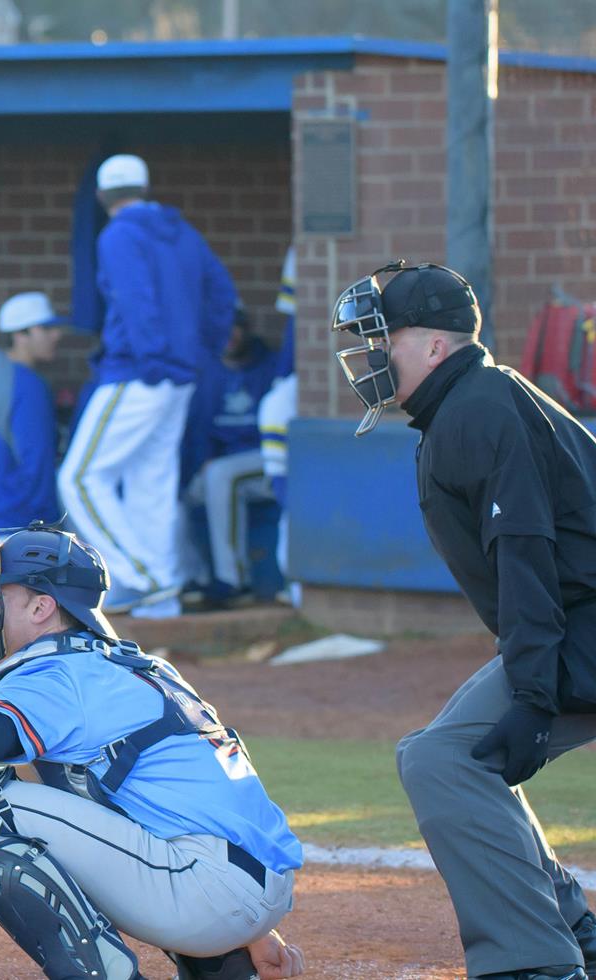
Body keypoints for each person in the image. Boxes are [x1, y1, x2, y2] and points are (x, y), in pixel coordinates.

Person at [0, 523, 304, 979]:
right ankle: (227, 968)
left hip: (207, 890)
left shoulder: (59, 672)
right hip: (243, 883)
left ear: (43, 607)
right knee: (46, 790)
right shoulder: (130, 665)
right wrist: (251, 928)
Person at [336, 261, 596, 980]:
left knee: (443, 759)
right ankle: (569, 929)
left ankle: (536, 961)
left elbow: (526, 554)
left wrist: (536, 699)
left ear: (433, 346)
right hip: (578, 620)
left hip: (582, 621)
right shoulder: (473, 400)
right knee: (447, 754)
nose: (373, 356)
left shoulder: (477, 408)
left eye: (384, 339)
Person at [57, 153, 236, 619]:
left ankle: (139, 577)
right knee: (148, 483)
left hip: (139, 372)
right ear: (144, 187)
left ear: (101, 197)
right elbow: (222, 294)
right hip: (179, 376)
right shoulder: (182, 232)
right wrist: (201, 355)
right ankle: (162, 601)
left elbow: (136, 301)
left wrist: (155, 358)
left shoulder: (117, 234)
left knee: (79, 477)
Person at [181, 309, 279, 599]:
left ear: (247, 328)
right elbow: (200, 430)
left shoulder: (269, 367)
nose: (230, 336)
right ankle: (193, 576)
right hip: (226, 467)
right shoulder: (208, 372)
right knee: (176, 499)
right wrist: (202, 460)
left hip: (265, 459)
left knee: (221, 475)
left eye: (235, 326)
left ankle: (233, 580)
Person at [0, 291, 64, 536]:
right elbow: (36, 462)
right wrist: (48, 522)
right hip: (18, 526)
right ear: (20, 335)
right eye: (45, 329)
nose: (56, 335)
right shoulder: (28, 385)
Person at [256, 246, 299, 604]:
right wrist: (284, 378)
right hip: (300, 382)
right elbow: (295, 324)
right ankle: (295, 586)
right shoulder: (302, 252)